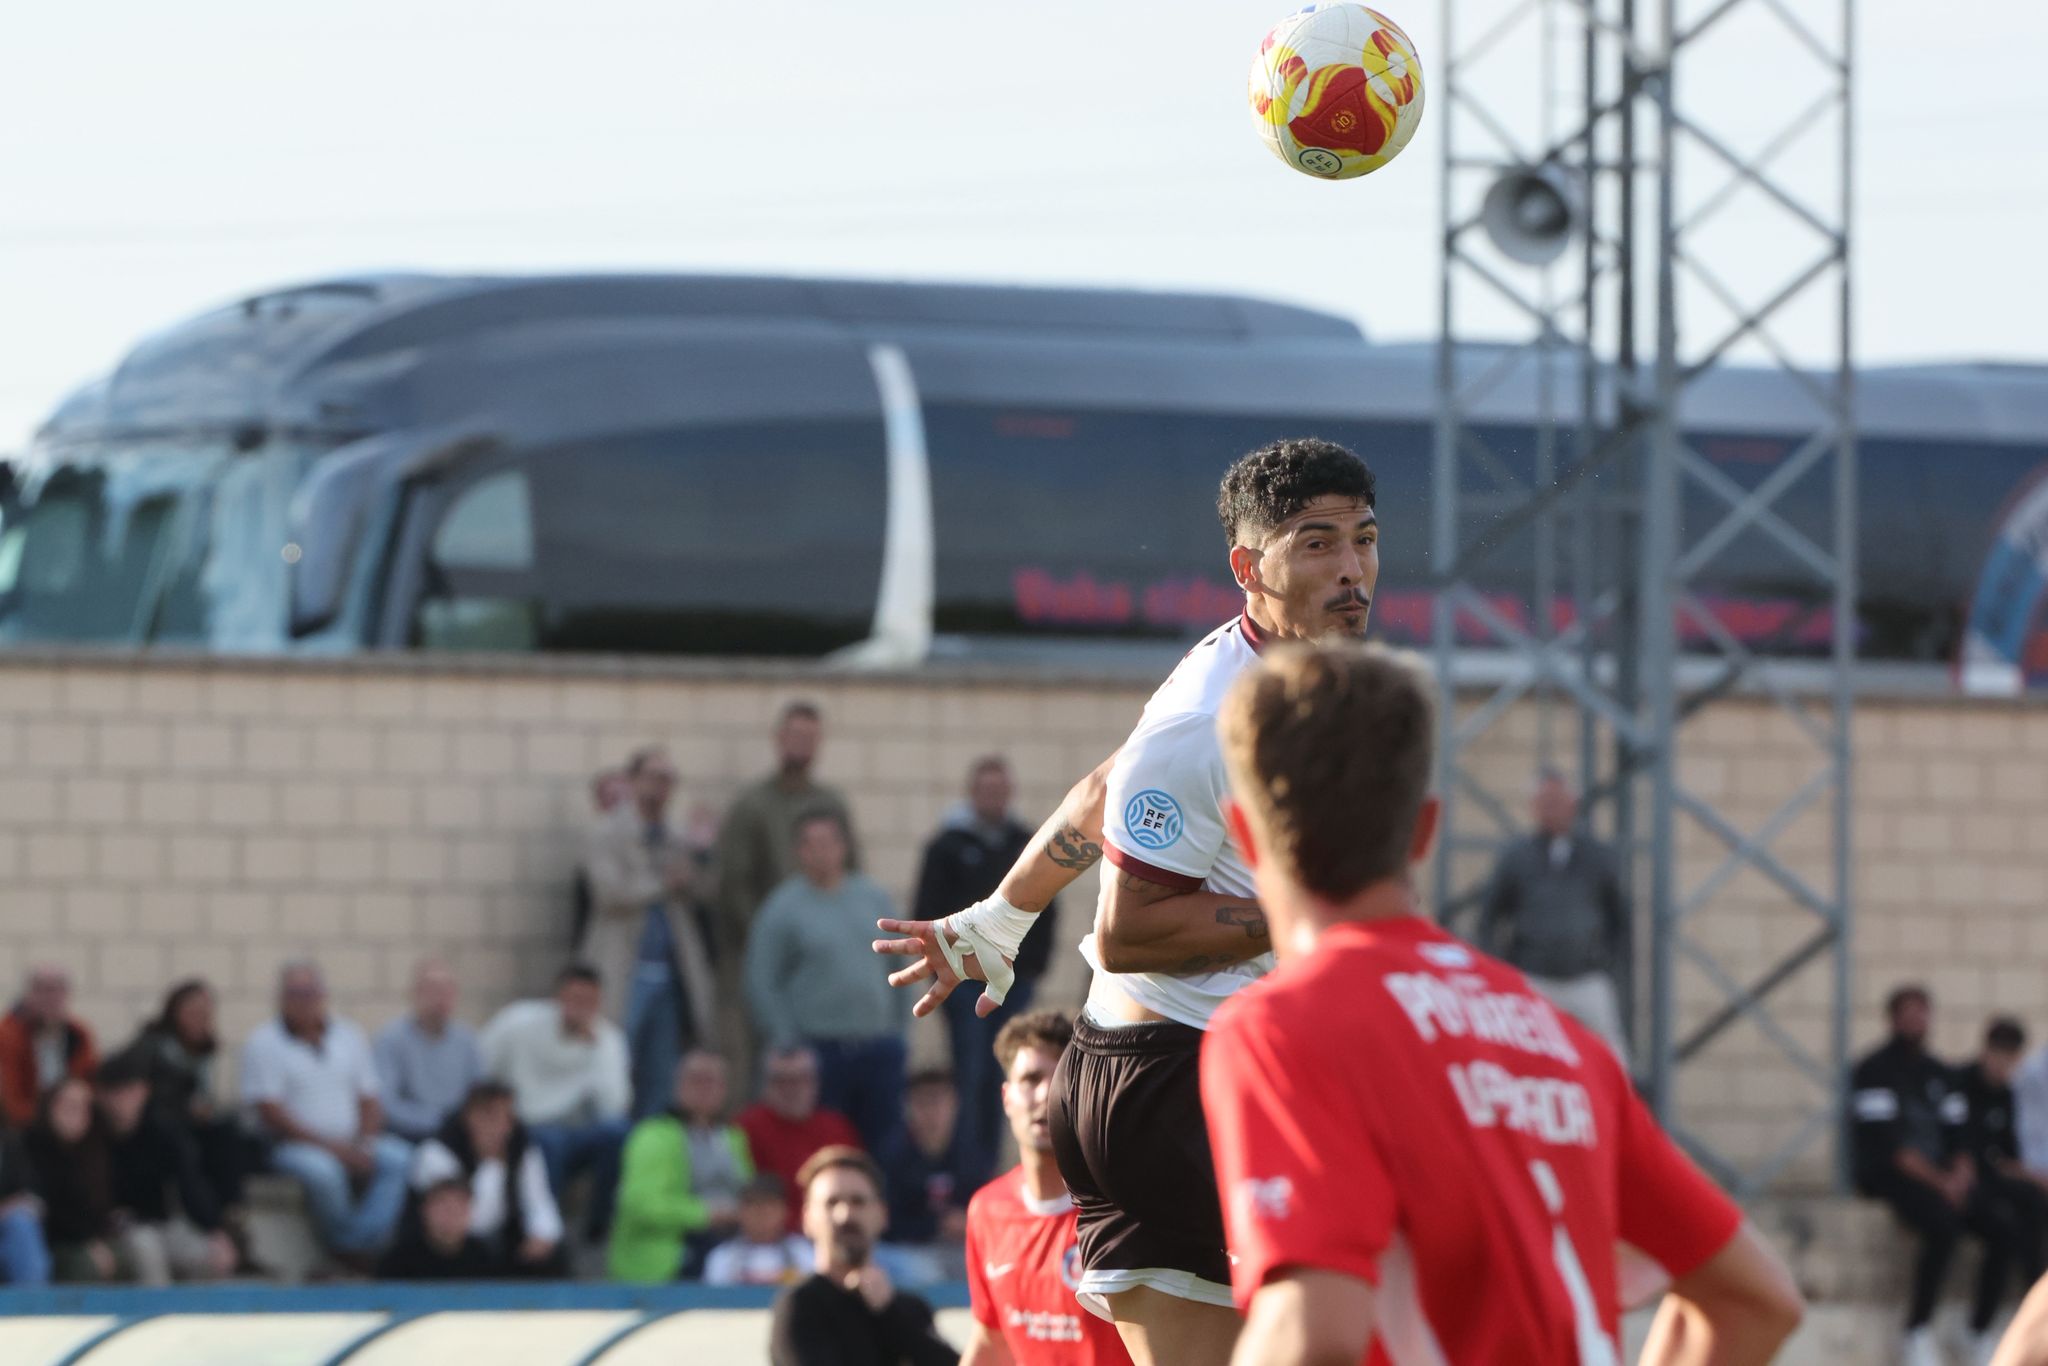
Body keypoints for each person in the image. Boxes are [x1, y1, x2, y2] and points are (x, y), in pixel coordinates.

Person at [879, 437, 1383, 1366]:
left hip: (1212, 1077)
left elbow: (1105, 789)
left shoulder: (1288, 676)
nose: (1351, 569)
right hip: (1168, 1085)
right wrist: (1326, 923)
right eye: (1316, 544)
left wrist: (1000, 914)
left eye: (1362, 538)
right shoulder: (1212, 715)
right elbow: (1133, 929)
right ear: (1248, 568)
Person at [1200, 644, 1803, 1366]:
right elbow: (1759, 1301)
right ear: (1425, 831)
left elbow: (1310, 1336)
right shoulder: (1561, 1044)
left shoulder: (1283, 1025)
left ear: (1244, 837)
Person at [1852, 984, 2022, 1366]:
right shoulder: (1874, 1069)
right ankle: (1917, 1329)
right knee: (1943, 1226)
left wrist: (1961, 1171)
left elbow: (1960, 1132)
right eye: (1907, 1012)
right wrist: (1940, 1181)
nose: (1915, 1020)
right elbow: (1889, 1146)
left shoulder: (1940, 1073)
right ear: (1893, 1018)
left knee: (2003, 1226)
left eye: (1921, 1012)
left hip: (1943, 1179)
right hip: (1897, 1178)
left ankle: (1977, 1330)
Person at [913, 757, 1059, 1187]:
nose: (993, 796)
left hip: (1014, 984)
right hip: (963, 986)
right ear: (972, 792)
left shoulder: (1024, 843)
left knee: (1009, 1074)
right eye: (986, 788)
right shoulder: (947, 847)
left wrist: (1031, 966)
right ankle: (966, 1176)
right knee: (970, 1075)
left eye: (1000, 788)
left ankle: (995, 1171)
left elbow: (1046, 904)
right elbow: (929, 914)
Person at [962, 1010, 1131, 1366]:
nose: (1045, 1094)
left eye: (1058, 1079)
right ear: (1007, 1098)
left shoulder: (1122, 1207)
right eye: (1031, 1078)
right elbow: (992, 1341)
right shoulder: (986, 1209)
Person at [747, 809, 909, 1154]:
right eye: (811, 844)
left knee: (886, 1147)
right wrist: (786, 1040)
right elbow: (762, 980)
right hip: (817, 1051)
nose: (821, 851)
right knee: (828, 1149)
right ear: (799, 852)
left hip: (879, 1047)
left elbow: (900, 964)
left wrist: (900, 1032)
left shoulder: (873, 898)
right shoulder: (782, 908)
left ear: (844, 847)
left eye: (829, 842)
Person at [718, 701, 861, 1070]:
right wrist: (767, 940)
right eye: (795, 734)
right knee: (763, 1056)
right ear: (779, 739)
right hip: (763, 955)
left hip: (822, 961)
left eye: (810, 737)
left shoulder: (831, 804)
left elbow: (852, 875)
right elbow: (734, 884)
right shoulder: (753, 805)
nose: (801, 744)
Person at [241, 962, 412, 1260]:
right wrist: (335, 1150)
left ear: (322, 995)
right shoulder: (264, 1042)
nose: (303, 1001)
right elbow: (271, 1113)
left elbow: (369, 1097)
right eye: (295, 993)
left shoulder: (349, 1035)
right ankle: (351, 1250)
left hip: (352, 1140)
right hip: (293, 1146)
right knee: (325, 1174)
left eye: (309, 992)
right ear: (281, 998)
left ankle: (355, 1243)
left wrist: (365, 1143)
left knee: (399, 1158)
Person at [582, 745, 718, 1117]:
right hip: (624, 972)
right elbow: (610, 893)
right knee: (615, 1070)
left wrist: (703, 854)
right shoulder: (608, 833)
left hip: (671, 975)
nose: (662, 788)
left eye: (669, 780)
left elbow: (704, 893)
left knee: (662, 1075)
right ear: (633, 781)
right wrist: (665, 882)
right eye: (655, 778)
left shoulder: (676, 837)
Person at [1476, 767, 1633, 1063]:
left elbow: (1619, 920)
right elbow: (1490, 916)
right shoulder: (1517, 856)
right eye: (1544, 802)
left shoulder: (1598, 856)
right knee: (1516, 1055)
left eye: (1557, 801)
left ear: (1572, 804)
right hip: (1533, 976)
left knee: (1614, 1059)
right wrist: (1499, 971)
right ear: (1534, 808)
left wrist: (1607, 965)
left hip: (1585, 978)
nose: (1551, 809)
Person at [769, 1146, 958, 1366]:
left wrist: (889, 1313)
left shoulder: (909, 1309)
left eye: (858, 1201)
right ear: (807, 1219)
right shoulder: (800, 1307)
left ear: (883, 1215)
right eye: (831, 1203)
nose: (845, 1215)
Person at [479, 963, 632, 1234]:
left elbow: (614, 1106)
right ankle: (547, 1231)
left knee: (619, 1133)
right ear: (558, 997)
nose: (581, 1007)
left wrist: (594, 1051)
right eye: (575, 999)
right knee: (549, 1143)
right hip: (527, 1125)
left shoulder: (608, 1040)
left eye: (589, 1001)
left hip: (581, 1130)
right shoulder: (518, 1022)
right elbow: (482, 1066)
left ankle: (599, 1226)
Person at [610, 1048, 755, 1283]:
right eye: (696, 1080)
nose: (704, 1088)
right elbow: (641, 1205)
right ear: (677, 1085)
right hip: (671, 1260)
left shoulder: (734, 1137)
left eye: (712, 1081)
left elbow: (747, 1191)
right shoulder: (651, 1136)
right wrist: (707, 1214)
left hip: (732, 1252)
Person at [95, 1051, 237, 1285]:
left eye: (132, 1090)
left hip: (159, 1223)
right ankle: (157, 1315)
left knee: (210, 1254)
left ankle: (200, 1320)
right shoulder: (93, 1136)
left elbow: (190, 1182)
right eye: (117, 1092)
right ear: (102, 1095)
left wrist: (215, 1230)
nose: (124, 1100)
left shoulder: (161, 1132)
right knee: (145, 1247)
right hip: (115, 1229)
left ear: (144, 1091)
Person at [123, 979, 252, 1230]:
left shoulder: (205, 1050)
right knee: (184, 1148)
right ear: (175, 1013)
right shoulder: (153, 1045)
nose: (199, 1019)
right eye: (192, 1013)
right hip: (156, 1130)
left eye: (204, 1014)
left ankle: (233, 1211)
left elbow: (203, 1099)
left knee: (229, 1133)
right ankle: (210, 1223)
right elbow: (150, 1099)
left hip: (189, 1123)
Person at [409, 1081, 565, 1277]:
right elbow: (461, 1218)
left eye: (507, 1118)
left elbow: (539, 1200)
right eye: (492, 1117)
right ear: (471, 1116)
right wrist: (491, 1166)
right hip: (449, 1246)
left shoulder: (521, 1148)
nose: (503, 1127)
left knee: (551, 1256)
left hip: (503, 1238)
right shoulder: (438, 1152)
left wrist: (542, 1235)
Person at [739, 1046, 864, 1228]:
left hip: (831, 1228)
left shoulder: (837, 1128)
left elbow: (855, 1185)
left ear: (815, 1082)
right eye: (781, 1081)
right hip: (768, 1234)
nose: (791, 1089)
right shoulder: (746, 1127)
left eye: (800, 1080)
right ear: (766, 1085)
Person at [25, 1078, 124, 1282]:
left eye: (84, 1108)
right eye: (69, 1106)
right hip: (54, 1243)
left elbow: (101, 1208)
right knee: (87, 1264)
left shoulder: (94, 1152)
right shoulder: (33, 1148)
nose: (77, 1114)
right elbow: (50, 1210)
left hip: (89, 1239)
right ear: (51, 1106)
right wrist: (88, 1242)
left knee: (129, 1253)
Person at [375, 959, 484, 1143]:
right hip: (408, 1136)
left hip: (460, 1135)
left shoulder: (467, 1041)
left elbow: (480, 1093)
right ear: (414, 993)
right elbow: (386, 1104)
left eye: (448, 989)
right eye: (433, 989)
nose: (442, 997)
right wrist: (437, 1121)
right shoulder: (391, 1039)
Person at [880, 1069, 982, 1254]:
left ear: (955, 1104)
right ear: (907, 1107)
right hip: (909, 1252)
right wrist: (937, 1225)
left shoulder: (974, 1157)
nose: (931, 1112)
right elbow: (886, 1222)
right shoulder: (892, 1158)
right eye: (922, 1103)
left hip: (962, 1251)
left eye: (938, 1102)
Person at [0, 965, 101, 1128]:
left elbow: (87, 1082)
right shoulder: (10, 1035)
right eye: (43, 990)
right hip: (23, 1125)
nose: (50, 998)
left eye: (57, 990)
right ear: (29, 994)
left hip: (68, 1125)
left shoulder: (79, 1035)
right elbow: (12, 1096)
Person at [377, 1177, 496, 1280]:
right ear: (425, 1210)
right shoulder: (399, 1259)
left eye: (459, 1206)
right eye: (442, 1205)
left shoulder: (484, 1257)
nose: (451, 1212)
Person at [704, 1174, 812, 1286]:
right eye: (753, 1204)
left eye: (769, 1204)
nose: (761, 1212)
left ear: (784, 1211)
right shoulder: (721, 1258)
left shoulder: (804, 1253)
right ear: (740, 1211)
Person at [570, 764, 632, 951]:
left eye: (625, 799)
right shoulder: (594, 846)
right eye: (613, 799)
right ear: (599, 805)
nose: (620, 807)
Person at [0, 1127, 48, 1285]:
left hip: (7, 1235)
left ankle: (31, 1305)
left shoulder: (10, 1144)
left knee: (21, 1225)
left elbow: (34, 1198)